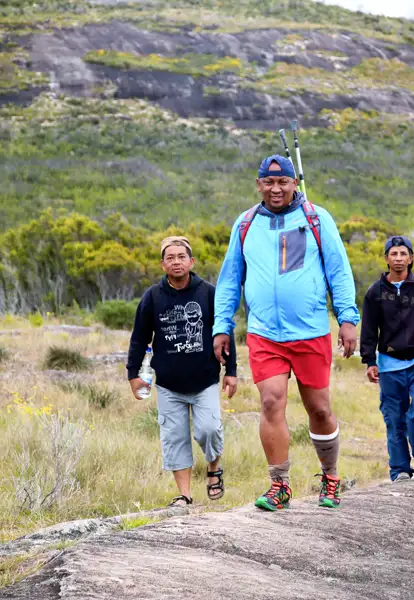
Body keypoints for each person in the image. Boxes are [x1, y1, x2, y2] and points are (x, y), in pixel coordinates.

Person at [213, 155, 359, 511]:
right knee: (270, 401)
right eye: (268, 182)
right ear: (259, 184)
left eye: (283, 182)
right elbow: (230, 278)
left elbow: (338, 271)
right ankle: (279, 485)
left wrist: (347, 318)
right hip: (264, 333)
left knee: (319, 409)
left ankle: (330, 477)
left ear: (294, 183)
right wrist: (222, 325)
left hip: (310, 331)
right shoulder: (246, 224)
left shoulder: (316, 218)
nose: (275, 189)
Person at [127, 236, 238, 507]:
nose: (176, 262)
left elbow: (225, 332)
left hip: (205, 381)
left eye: (181, 257)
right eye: (170, 258)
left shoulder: (209, 293)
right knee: (174, 438)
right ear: (163, 264)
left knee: (208, 430)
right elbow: (139, 338)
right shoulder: (152, 297)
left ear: (191, 261)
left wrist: (231, 371)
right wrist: (133, 375)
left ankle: (214, 468)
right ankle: (185, 496)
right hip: (168, 384)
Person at [360, 236, 414, 482]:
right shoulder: (375, 292)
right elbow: (368, 330)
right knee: (394, 417)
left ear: (411, 258)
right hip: (389, 364)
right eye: (393, 254)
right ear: (386, 258)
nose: (398, 258)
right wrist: (370, 361)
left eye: (403, 254)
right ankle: (399, 469)